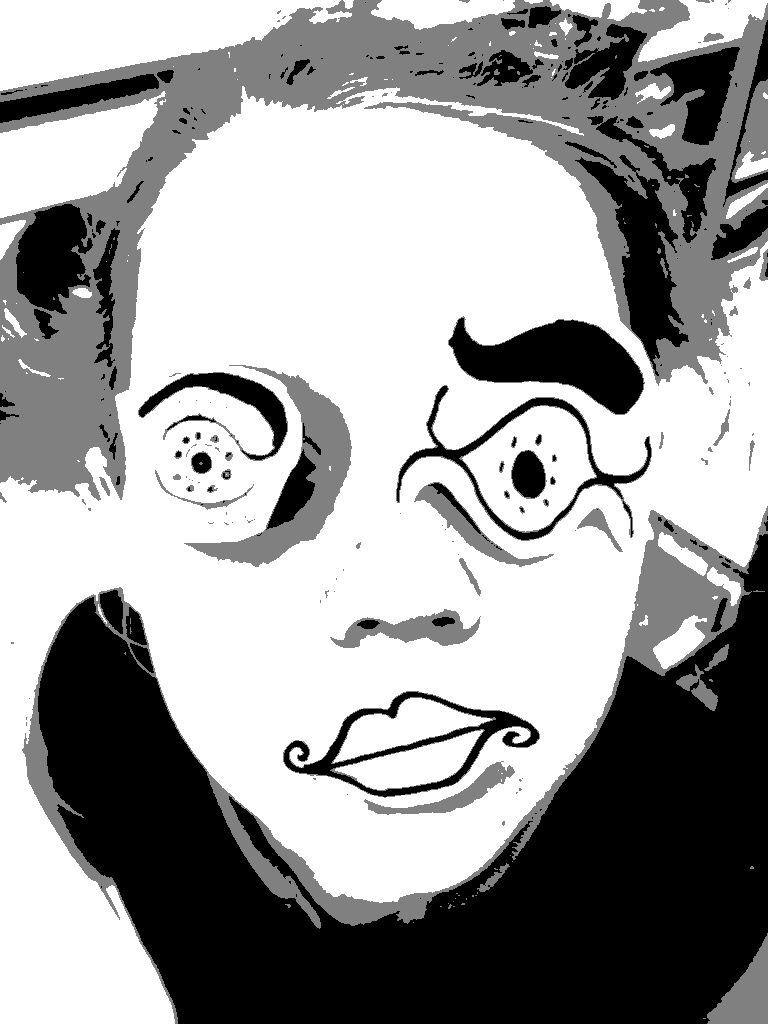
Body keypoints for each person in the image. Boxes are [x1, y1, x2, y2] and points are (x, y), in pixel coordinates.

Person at [7, 6, 768, 1020]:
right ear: (119, 497)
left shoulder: (702, 857)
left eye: (530, 464)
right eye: (211, 458)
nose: (400, 592)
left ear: (656, 460)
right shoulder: (100, 715)